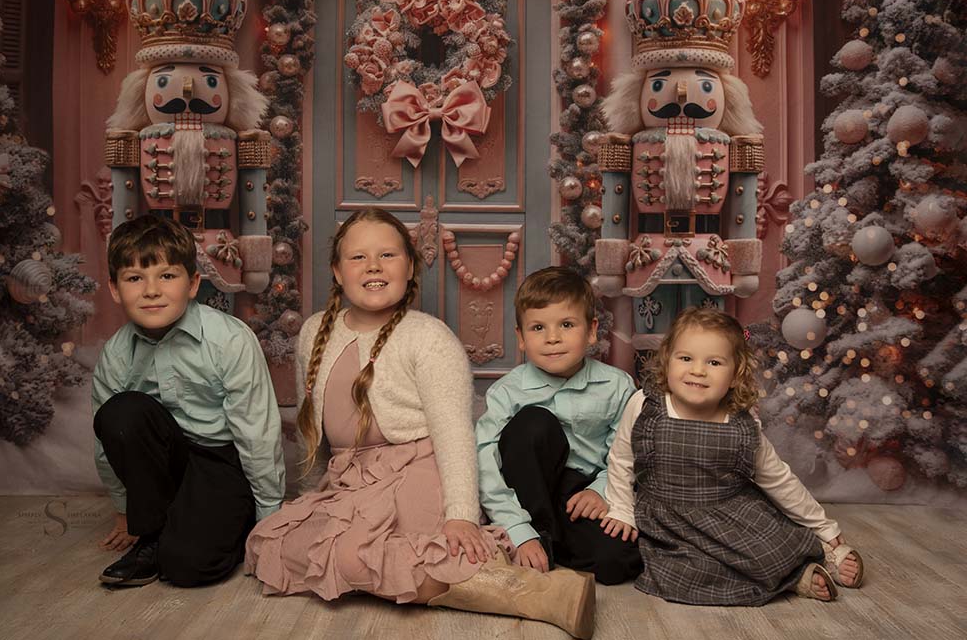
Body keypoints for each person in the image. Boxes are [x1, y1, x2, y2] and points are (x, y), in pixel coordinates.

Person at [245, 209, 596, 640]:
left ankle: (533, 593)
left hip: (416, 472)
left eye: (388, 255)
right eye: (358, 258)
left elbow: (454, 436)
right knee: (272, 545)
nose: (373, 266)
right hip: (350, 482)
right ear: (337, 272)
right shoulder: (315, 331)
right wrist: (310, 497)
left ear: (410, 267)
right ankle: (478, 582)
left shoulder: (428, 337)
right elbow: (310, 429)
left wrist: (462, 516)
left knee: (357, 558)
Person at [603, 307, 865, 606]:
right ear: (667, 361)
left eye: (714, 362)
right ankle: (794, 580)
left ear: (735, 373)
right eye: (685, 358)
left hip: (729, 510)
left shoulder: (740, 423)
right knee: (689, 569)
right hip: (667, 519)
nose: (698, 370)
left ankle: (813, 557)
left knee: (770, 550)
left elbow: (778, 479)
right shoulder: (645, 406)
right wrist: (622, 510)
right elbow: (621, 461)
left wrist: (824, 526)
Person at [92, 214, 286, 588]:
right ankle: (150, 537)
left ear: (193, 283)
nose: (151, 290)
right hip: (168, 462)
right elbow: (107, 444)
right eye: (135, 278)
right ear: (115, 289)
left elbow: (256, 433)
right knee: (121, 413)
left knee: (189, 567)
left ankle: (224, 520)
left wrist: (269, 518)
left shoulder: (228, 340)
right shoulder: (116, 354)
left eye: (167, 276)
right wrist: (123, 510)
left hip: (222, 461)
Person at [476, 267, 643, 586]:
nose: (552, 338)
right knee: (534, 422)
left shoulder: (616, 385)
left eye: (566, 325)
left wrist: (601, 491)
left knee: (618, 561)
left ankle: (556, 542)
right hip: (529, 491)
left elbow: (628, 450)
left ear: (592, 331)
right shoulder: (508, 392)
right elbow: (484, 462)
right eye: (538, 328)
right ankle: (535, 535)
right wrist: (517, 529)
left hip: (584, 491)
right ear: (522, 338)